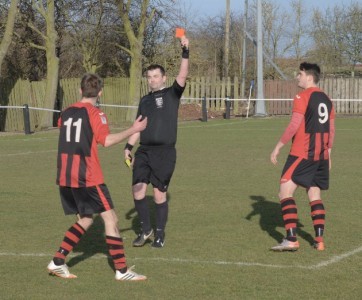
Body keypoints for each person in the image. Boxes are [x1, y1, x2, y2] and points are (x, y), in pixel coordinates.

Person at [47, 73, 148, 281]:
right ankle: (122, 271)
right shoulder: (96, 113)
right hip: (88, 176)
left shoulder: (65, 113)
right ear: (100, 92)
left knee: (85, 219)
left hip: (66, 176)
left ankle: (57, 262)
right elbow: (107, 140)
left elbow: (63, 126)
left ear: (79, 90)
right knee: (111, 219)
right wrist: (134, 129)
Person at [124, 35, 189, 248]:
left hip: (165, 153)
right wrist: (128, 147)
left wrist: (185, 51)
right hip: (144, 151)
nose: (152, 79)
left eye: (155, 76)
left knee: (159, 195)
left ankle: (160, 234)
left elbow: (183, 74)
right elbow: (138, 126)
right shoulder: (144, 100)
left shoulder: (172, 94)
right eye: (149, 76)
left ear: (163, 77)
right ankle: (146, 230)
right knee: (137, 190)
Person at [270, 62, 335, 252]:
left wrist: (278, 147)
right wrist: (329, 154)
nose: (297, 77)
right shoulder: (326, 98)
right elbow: (331, 130)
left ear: (308, 76)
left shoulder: (302, 96)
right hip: (320, 154)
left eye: (299, 74)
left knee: (285, 192)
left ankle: (291, 239)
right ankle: (319, 240)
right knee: (314, 194)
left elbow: (294, 125)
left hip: (301, 153)